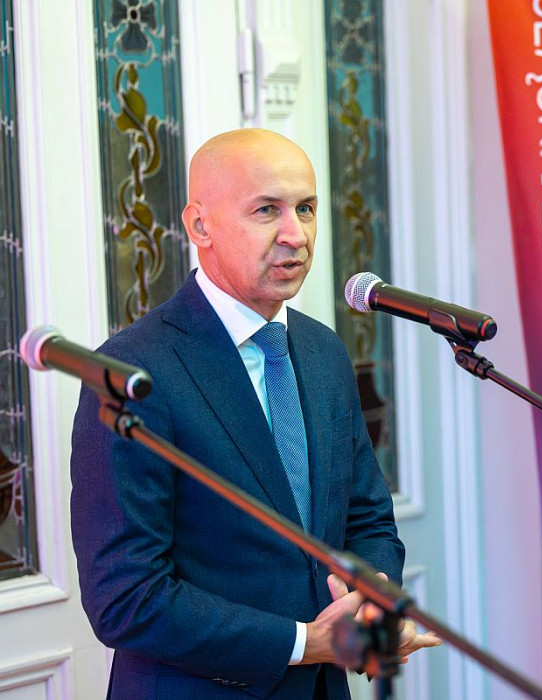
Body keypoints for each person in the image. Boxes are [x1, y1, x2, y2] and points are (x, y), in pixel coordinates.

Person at [70, 128, 439, 698]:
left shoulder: (322, 350)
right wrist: (302, 642)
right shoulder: (131, 371)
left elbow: (367, 517)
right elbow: (124, 597)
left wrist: (368, 604)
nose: (296, 235)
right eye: (267, 210)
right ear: (200, 226)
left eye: (306, 208)